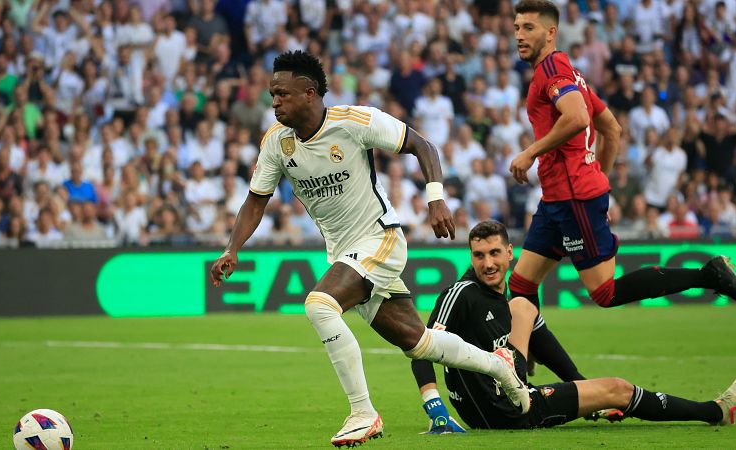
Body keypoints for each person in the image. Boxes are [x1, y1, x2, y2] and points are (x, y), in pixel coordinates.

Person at [209, 51, 530, 448]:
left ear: (310, 94)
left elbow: (423, 145)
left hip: (380, 239)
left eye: (281, 94)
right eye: (271, 94)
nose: (274, 102)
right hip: (344, 253)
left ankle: (363, 412)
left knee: (319, 305)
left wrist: (436, 199)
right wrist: (232, 248)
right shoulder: (276, 143)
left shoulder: (354, 122)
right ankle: (498, 365)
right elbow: (256, 200)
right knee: (419, 342)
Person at [505, 0, 736, 384]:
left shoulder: (553, 69)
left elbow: (579, 118)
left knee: (603, 292)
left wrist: (531, 153)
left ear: (551, 33)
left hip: (574, 200)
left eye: (529, 28)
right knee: (520, 286)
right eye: (517, 27)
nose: (520, 34)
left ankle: (709, 274)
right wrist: (597, 178)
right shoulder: (572, 73)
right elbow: (612, 129)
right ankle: (542, 367)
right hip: (559, 199)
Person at [411, 220, 736, 431]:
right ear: (470, 256)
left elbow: (546, 348)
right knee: (617, 387)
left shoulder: (506, 297)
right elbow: (421, 347)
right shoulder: (463, 293)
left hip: (515, 400)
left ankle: (713, 411)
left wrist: (582, 391)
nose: (487, 263)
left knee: (528, 311)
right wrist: (435, 407)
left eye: (494, 254)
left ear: (510, 253)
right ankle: (716, 411)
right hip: (501, 410)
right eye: (478, 255)